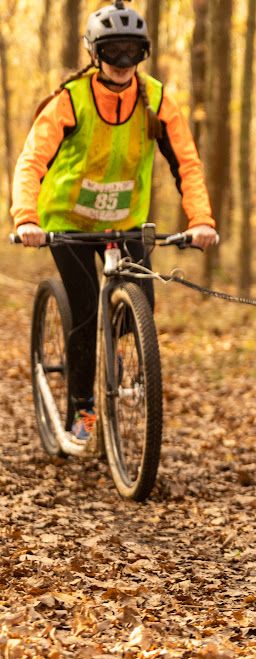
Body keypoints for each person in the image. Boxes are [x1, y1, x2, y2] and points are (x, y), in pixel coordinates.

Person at [11, 0, 218, 441]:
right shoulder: (70, 99)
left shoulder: (157, 99)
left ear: (143, 54)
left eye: (132, 52)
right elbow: (31, 162)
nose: (123, 63)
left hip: (127, 222)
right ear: (94, 53)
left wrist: (200, 220)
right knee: (86, 314)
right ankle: (82, 412)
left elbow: (187, 164)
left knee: (140, 307)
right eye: (112, 52)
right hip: (66, 223)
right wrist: (26, 217)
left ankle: (117, 349)